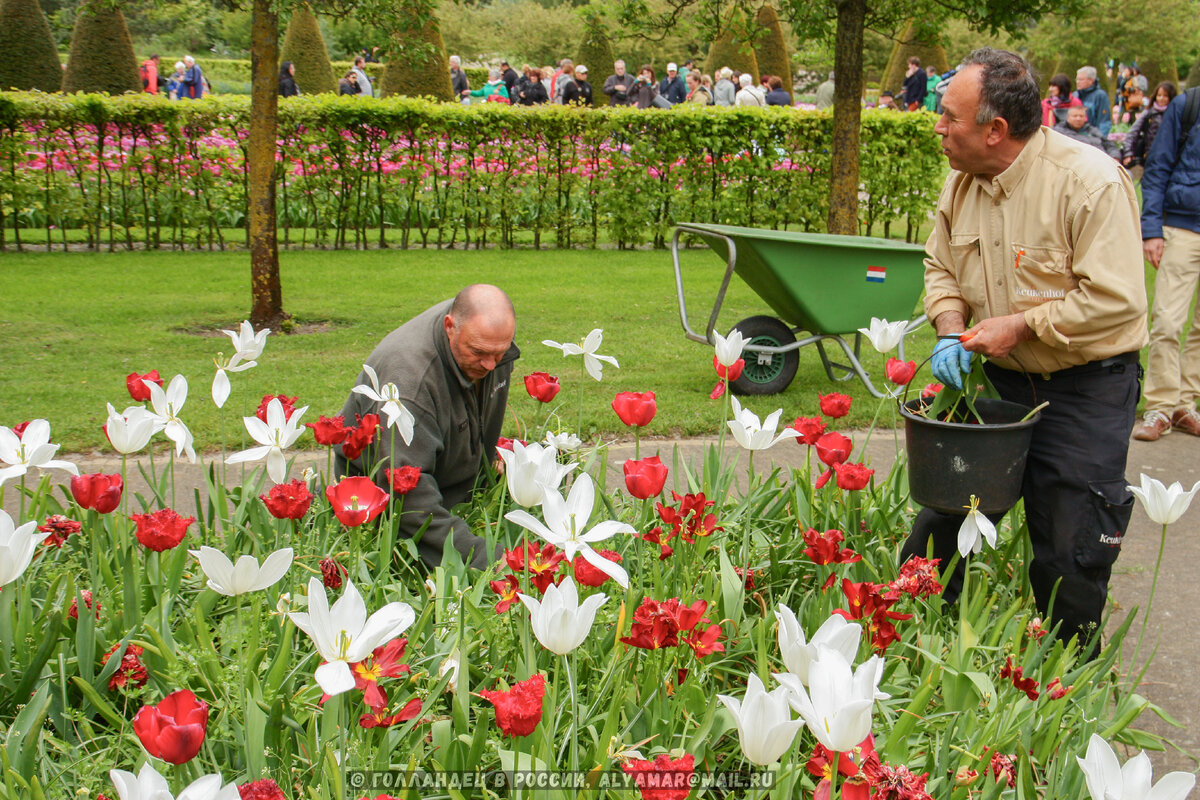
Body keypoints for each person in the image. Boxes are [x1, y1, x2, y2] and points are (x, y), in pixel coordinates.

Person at [904, 48, 1147, 651]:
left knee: (1071, 549)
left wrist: (1021, 326)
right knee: (941, 521)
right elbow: (939, 264)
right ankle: (913, 649)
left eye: (949, 117)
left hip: (1086, 388)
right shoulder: (961, 182)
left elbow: (1118, 301)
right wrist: (948, 324)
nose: (938, 126)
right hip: (1002, 386)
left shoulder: (1088, 182)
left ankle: (1069, 686)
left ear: (995, 130)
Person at [335, 285, 519, 570]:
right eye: (479, 352)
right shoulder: (409, 386)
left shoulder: (483, 334)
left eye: (500, 353)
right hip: (385, 512)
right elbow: (408, 503)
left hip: (455, 493)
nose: (491, 365)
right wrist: (491, 561)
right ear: (450, 327)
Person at [1131, 84, 1200, 441]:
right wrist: (1152, 229)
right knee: (1168, 321)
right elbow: (1157, 167)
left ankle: (1185, 404)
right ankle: (1158, 406)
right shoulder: (1188, 105)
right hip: (1183, 225)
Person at [1121, 82, 1178, 172]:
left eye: (1165, 96)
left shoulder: (1176, 114)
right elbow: (1133, 132)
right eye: (1159, 95)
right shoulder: (1149, 113)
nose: (1161, 98)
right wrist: (1128, 152)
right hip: (1151, 157)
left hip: (1171, 157)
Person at [1054, 105, 1121, 159]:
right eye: (1075, 116)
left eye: (1081, 116)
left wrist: (1115, 157)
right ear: (1068, 118)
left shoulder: (1092, 130)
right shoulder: (1059, 132)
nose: (1078, 118)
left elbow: (1109, 144)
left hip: (1103, 161)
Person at [1073, 66, 1112, 135]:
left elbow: (1104, 122)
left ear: (1091, 80)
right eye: (1077, 79)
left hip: (1091, 139)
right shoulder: (1075, 95)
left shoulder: (1100, 96)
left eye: (1081, 79)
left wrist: (1099, 140)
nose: (1077, 82)